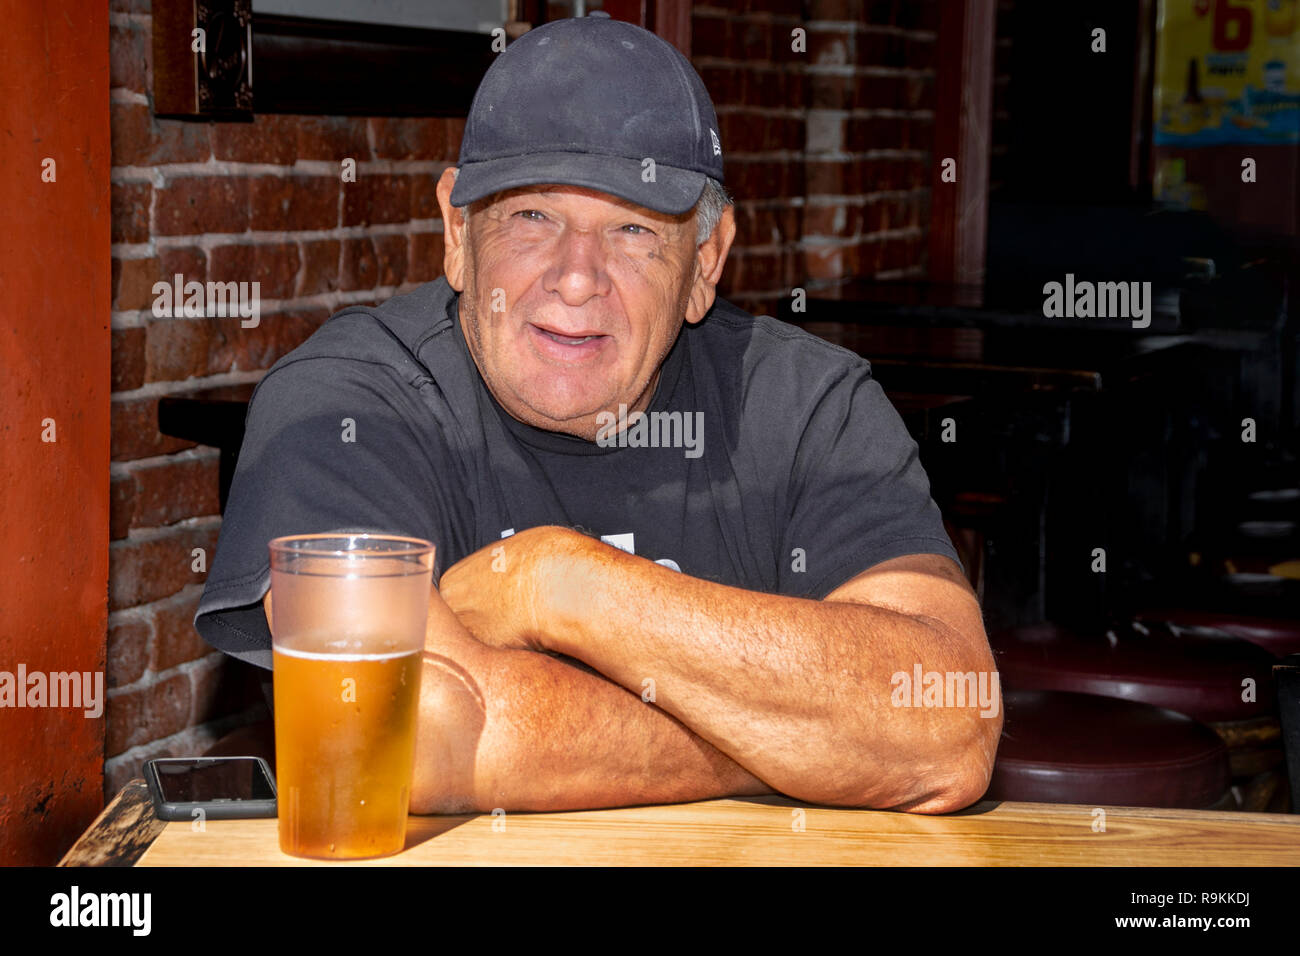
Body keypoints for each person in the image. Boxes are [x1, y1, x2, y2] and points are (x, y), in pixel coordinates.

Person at [196, 13, 1001, 814]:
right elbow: (378, 733)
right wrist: (803, 746)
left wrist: (555, 582)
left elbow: (949, 724)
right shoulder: (345, 407)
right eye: (532, 216)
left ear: (706, 262)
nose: (577, 278)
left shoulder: (804, 404)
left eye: (633, 229)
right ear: (456, 230)